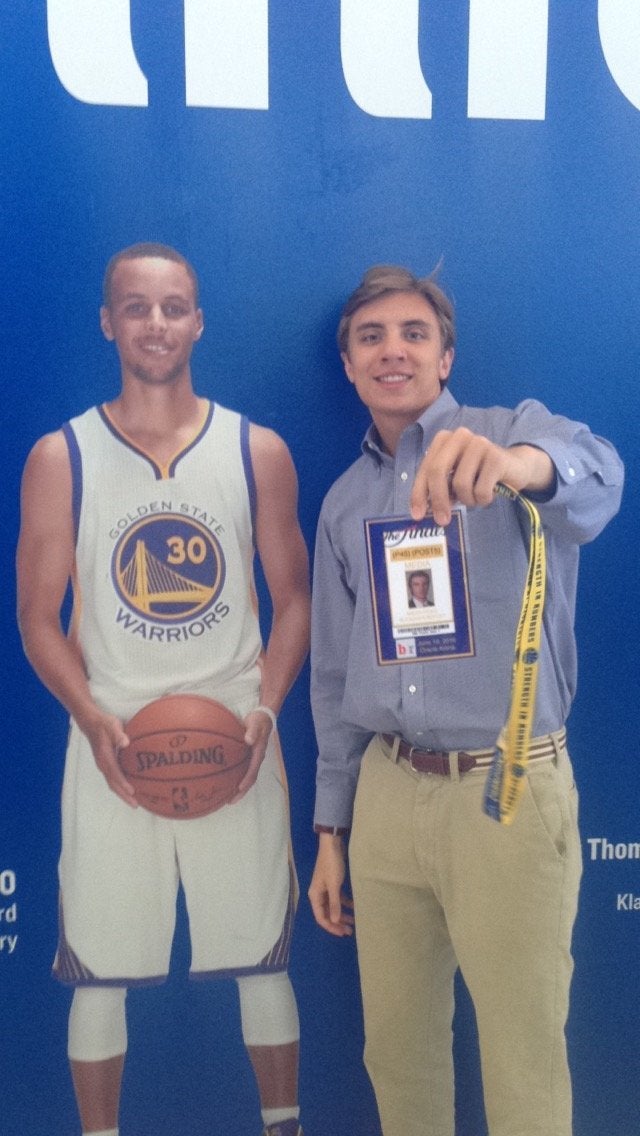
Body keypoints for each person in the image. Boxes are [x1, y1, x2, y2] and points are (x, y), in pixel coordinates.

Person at [308, 264, 623, 1136]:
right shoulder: (343, 504)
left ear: (445, 358)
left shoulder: (512, 434)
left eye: (413, 333)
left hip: (505, 792)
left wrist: (518, 466)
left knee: (523, 1059)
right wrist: (331, 833)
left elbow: (601, 479)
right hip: (387, 796)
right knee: (397, 1056)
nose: (392, 350)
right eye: (370, 337)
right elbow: (333, 682)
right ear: (350, 367)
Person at [17, 242, 310, 1136]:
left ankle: (283, 1124)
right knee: (101, 970)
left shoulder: (257, 448)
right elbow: (35, 617)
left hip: (234, 733)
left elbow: (293, 600)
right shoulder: (60, 455)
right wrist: (93, 717)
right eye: (136, 308)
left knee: (262, 960)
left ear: (199, 320)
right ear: (108, 322)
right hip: (111, 738)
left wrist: (264, 708)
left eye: (173, 306)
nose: (155, 324)